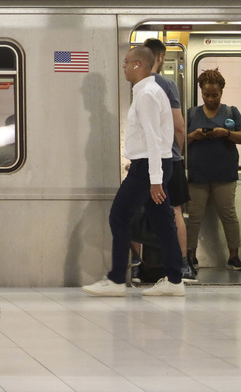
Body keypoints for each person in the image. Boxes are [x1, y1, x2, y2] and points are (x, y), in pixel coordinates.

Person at [82, 46, 184, 296]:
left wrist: (155, 179)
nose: (124, 66)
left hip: (149, 167)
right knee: (163, 223)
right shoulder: (148, 91)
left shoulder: (147, 94)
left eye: (126, 62)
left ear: (138, 65)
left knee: (119, 216)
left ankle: (116, 279)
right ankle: (175, 280)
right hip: (151, 165)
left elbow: (154, 138)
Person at [130, 38, 197, 283]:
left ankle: (136, 264)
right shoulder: (167, 86)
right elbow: (179, 126)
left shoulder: (136, 84)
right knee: (175, 210)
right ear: (160, 57)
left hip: (142, 159)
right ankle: (180, 265)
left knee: (135, 209)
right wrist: (176, 155)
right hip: (169, 159)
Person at [185, 69, 241, 271]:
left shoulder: (231, 112)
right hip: (197, 175)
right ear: (201, 92)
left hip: (224, 175)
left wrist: (226, 133)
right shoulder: (192, 113)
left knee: (228, 215)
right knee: (194, 217)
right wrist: (194, 135)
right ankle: (190, 255)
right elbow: (179, 141)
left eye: (215, 95)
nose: (210, 99)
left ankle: (234, 256)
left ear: (222, 92)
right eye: (206, 95)